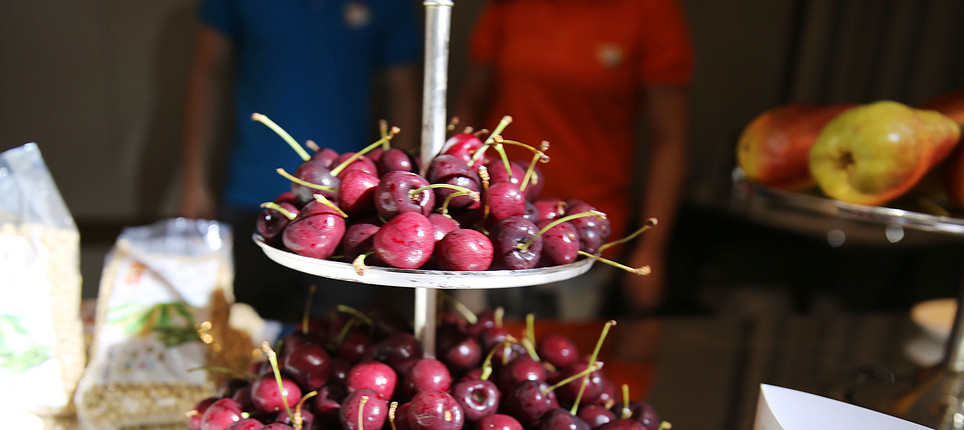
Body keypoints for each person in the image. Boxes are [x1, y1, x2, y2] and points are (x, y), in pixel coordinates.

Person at [178, 0, 423, 321]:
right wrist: (194, 180)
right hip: (254, 198)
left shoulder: (391, 5)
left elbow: (403, 90)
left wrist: (400, 203)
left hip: (350, 212)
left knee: (337, 339)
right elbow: (209, 70)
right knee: (248, 334)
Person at [454, 0, 694, 315]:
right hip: (487, 223)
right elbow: (470, 104)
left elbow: (670, 140)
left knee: (554, 355)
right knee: (470, 345)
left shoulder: (651, 11)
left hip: (582, 235)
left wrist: (652, 247)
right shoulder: (510, 7)